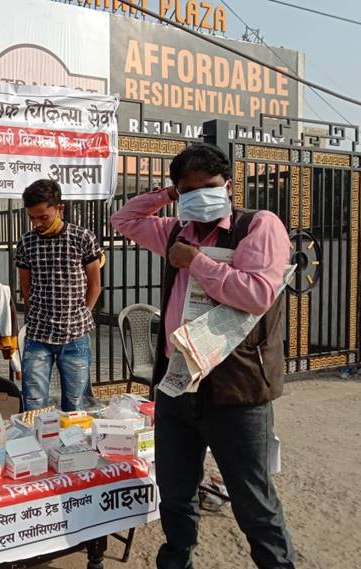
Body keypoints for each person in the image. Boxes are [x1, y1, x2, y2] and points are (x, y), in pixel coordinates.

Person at [111, 143, 295, 569]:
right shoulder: (176, 229)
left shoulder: (258, 227)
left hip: (235, 389)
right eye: (188, 190)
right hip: (178, 383)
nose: (200, 197)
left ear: (227, 185)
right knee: (176, 494)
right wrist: (166, 196)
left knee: (253, 502)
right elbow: (123, 220)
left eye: (209, 187)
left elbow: (257, 294)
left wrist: (197, 263)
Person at [15, 179, 102, 411]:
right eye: (32, 217)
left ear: (59, 208)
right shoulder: (26, 242)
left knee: (75, 403)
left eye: (43, 217)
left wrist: (83, 313)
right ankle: (34, 445)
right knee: (33, 402)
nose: (37, 223)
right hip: (37, 335)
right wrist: (37, 311)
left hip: (75, 336)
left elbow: (95, 285)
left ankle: (70, 447)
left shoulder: (83, 238)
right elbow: (26, 288)